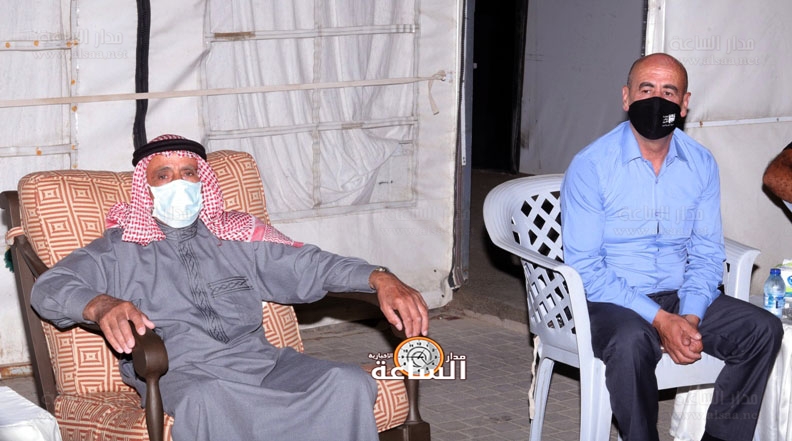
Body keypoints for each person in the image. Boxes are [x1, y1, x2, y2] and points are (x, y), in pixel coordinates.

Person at [30, 134, 430, 441]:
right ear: (145, 188)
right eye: (163, 175)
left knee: (347, 382)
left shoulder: (235, 238)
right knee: (209, 401)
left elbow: (308, 264)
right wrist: (100, 304)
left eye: (189, 173)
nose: (178, 183)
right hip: (184, 373)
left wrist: (378, 277)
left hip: (262, 365)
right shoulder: (118, 249)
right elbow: (50, 287)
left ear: (202, 182)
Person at [560, 53, 783, 441]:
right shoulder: (591, 165)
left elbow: (707, 251)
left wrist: (690, 316)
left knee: (762, 329)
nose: (656, 100)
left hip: (679, 295)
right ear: (626, 97)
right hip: (610, 301)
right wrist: (660, 320)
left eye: (669, 92)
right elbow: (587, 269)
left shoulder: (700, 162)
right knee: (631, 341)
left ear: (684, 104)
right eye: (646, 89)